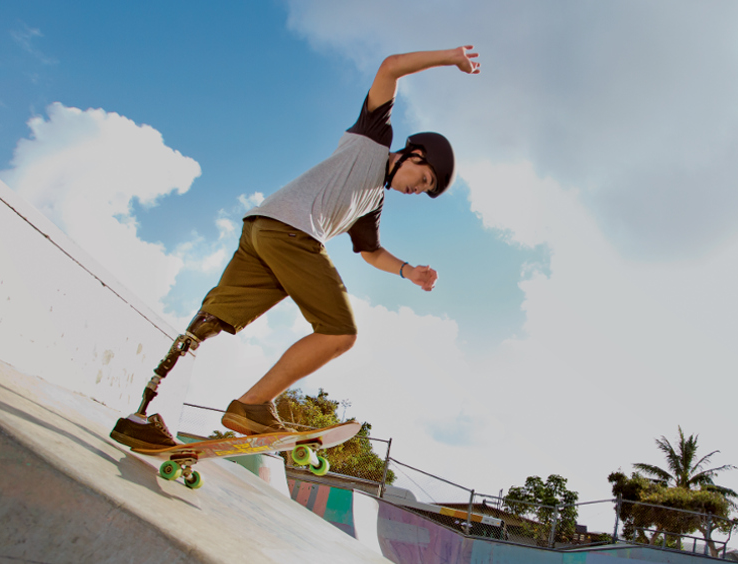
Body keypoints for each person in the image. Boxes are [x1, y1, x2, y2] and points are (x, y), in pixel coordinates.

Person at [110, 46, 481, 449]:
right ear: (415, 153)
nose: (416, 189)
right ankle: (252, 406)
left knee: (211, 319)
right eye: (423, 179)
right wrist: (451, 57)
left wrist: (409, 271)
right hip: (292, 234)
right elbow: (390, 67)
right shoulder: (372, 140)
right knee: (340, 332)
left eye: (424, 189)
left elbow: (371, 251)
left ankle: (139, 414)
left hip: (261, 232)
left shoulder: (371, 201)